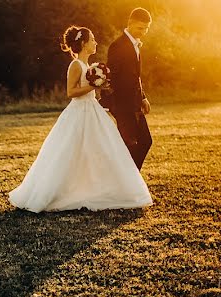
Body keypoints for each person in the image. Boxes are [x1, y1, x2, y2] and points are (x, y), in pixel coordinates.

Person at [8, 26, 152, 213]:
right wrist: (94, 85)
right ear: (83, 43)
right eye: (92, 39)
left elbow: (90, 90)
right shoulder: (76, 65)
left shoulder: (89, 66)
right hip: (78, 112)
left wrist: (101, 88)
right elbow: (71, 92)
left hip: (93, 110)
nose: (95, 42)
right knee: (71, 152)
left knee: (101, 151)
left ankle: (95, 188)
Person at [107, 7, 153, 170]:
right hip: (123, 106)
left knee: (145, 141)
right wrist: (112, 105)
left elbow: (135, 77)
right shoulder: (117, 46)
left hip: (135, 104)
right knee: (130, 145)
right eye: (140, 28)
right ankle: (127, 182)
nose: (143, 32)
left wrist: (143, 97)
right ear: (130, 24)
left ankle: (130, 180)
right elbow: (111, 78)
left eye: (146, 28)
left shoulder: (136, 45)